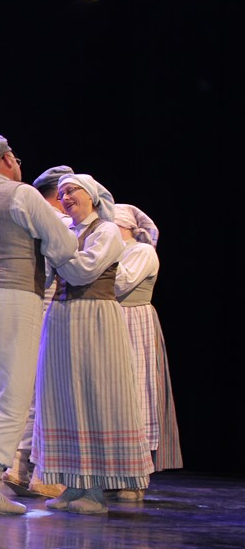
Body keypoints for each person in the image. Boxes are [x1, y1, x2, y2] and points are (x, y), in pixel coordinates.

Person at [0, 136, 78, 516]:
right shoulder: (23, 195)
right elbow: (64, 246)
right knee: (13, 391)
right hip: (15, 293)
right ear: (6, 160)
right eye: (16, 158)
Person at [32, 174, 153, 515]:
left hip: (95, 316)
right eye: (61, 193)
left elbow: (83, 271)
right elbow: (47, 274)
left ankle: (95, 491)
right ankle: (73, 484)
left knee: (94, 393)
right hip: (61, 317)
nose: (65, 197)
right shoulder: (65, 234)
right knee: (63, 396)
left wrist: (55, 252)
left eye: (72, 190)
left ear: (93, 196)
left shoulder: (107, 230)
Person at [0, 165, 74, 499]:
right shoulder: (59, 222)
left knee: (26, 392)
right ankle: (43, 472)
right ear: (59, 193)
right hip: (50, 309)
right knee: (49, 394)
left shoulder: (21, 220)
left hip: (20, 308)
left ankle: (18, 466)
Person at [112, 203, 182, 501]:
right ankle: (113, 472)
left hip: (134, 322)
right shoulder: (113, 250)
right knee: (113, 397)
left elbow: (122, 283)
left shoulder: (141, 251)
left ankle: (136, 476)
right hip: (111, 321)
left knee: (138, 394)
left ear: (124, 227)